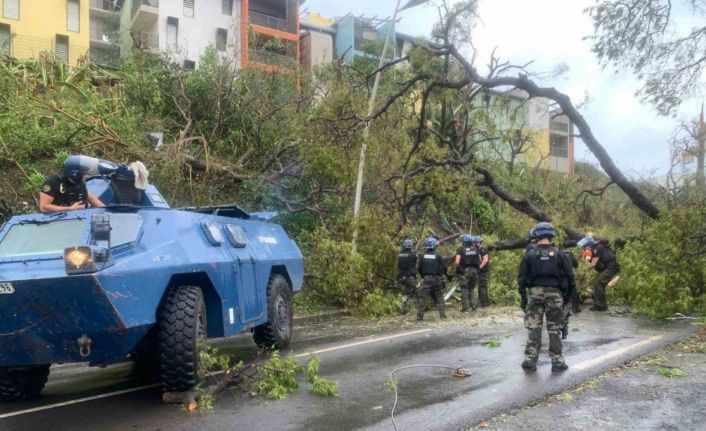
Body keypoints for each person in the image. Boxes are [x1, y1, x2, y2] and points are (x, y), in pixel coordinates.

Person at [518, 222, 575, 371]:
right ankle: (557, 361)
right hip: (555, 294)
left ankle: (530, 360)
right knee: (554, 328)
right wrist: (568, 298)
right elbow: (570, 278)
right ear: (551, 236)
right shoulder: (560, 254)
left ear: (536, 236)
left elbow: (522, 278)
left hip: (535, 294)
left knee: (534, 328)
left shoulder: (529, 254)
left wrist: (523, 298)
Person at [39, 155, 105, 212]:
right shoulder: (53, 182)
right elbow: (44, 207)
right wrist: (70, 209)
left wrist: (105, 210)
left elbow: (91, 198)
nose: (87, 176)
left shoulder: (79, 181)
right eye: (84, 174)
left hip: (81, 217)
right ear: (75, 174)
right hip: (60, 220)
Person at [583, 237, 620, 312]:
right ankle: (602, 305)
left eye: (586, 247)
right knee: (600, 285)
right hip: (609, 267)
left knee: (598, 284)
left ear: (589, 245)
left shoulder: (598, 248)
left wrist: (584, 271)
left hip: (611, 267)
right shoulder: (597, 248)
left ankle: (600, 306)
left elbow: (593, 264)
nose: (585, 249)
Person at [417, 237, 447, 321]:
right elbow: (445, 267)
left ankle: (419, 317)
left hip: (426, 279)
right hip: (437, 279)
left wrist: (423, 276)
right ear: (435, 246)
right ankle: (443, 315)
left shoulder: (422, 256)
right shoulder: (438, 255)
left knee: (423, 298)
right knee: (440, 297)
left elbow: (418, 268)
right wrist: (443, 274)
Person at [454, 235, 481, 312]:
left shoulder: (460, 249)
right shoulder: (476, 249)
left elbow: (456, 262)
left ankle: (466, 307)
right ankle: (474, 306)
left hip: (465, 271)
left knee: (463, 289)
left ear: (464, 242)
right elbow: (480, 260)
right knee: (472, 289)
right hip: (475, 271)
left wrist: (460, 270)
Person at [397, 239, 419, 315]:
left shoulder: (400, 254)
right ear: (410, 246)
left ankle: (403, 309)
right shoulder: (413, 255)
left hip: (402, 277)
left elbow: (399, 265)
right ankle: (423, 307)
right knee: (418, 291)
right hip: (410, 277)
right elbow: (416, 260)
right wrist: (416, 252)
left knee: (405, 293)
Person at [475, 236, 491, 307]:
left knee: (483, 287)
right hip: (480, 271)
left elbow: (485, 260)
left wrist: (480, 267)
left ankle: (484, 303)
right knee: (481, 287)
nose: (475, 244)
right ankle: (485, 302)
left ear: (480, 242)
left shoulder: (483, 249)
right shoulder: (477, 249)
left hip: (484, 271)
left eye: (476, 242)